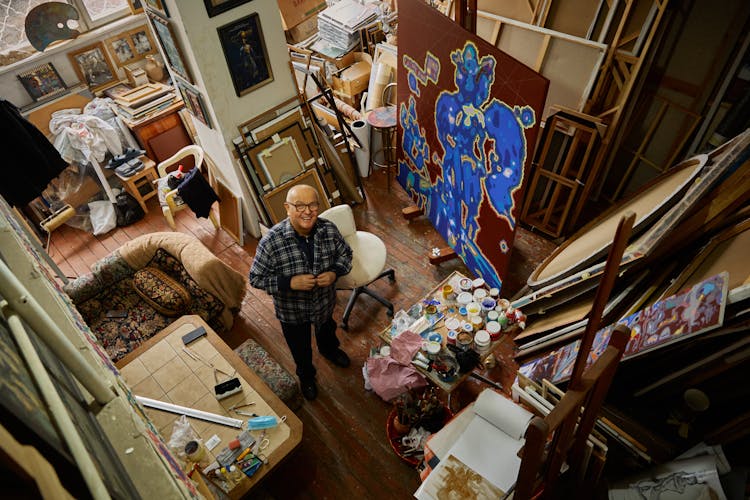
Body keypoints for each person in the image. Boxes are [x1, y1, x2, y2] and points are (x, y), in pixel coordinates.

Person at [249, 185, 353, 401]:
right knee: (300, 348)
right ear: (287, 208)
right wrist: (289, 283)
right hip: (292, 313)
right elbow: (255, 278)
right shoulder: (271, 242)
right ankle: (306, 376)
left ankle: (330, 351)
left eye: (313, 205)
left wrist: (334, 273)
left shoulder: (329, 230)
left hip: (324, 303)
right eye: (299, 206)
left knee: (327, 330)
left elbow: (346, 255)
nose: (307, 211)